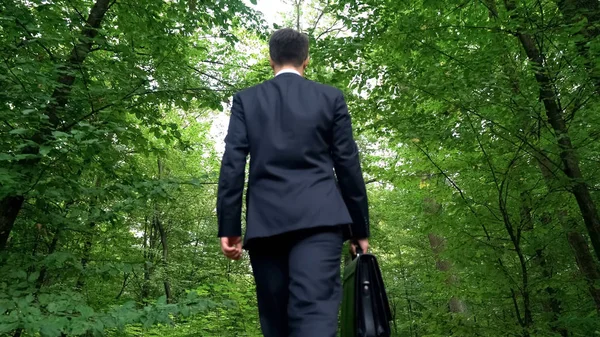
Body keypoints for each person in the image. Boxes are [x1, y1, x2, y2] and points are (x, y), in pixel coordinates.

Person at [216, 28, 370, 337]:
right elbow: (348, 165)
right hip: (321, 220)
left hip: (266, 224)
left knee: (276, 324)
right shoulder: (330, 97)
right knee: (315, 314)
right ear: (306, 60)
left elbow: (233, 163)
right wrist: (359, 230)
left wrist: (229, 227)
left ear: (271, 59)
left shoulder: (247, 100)